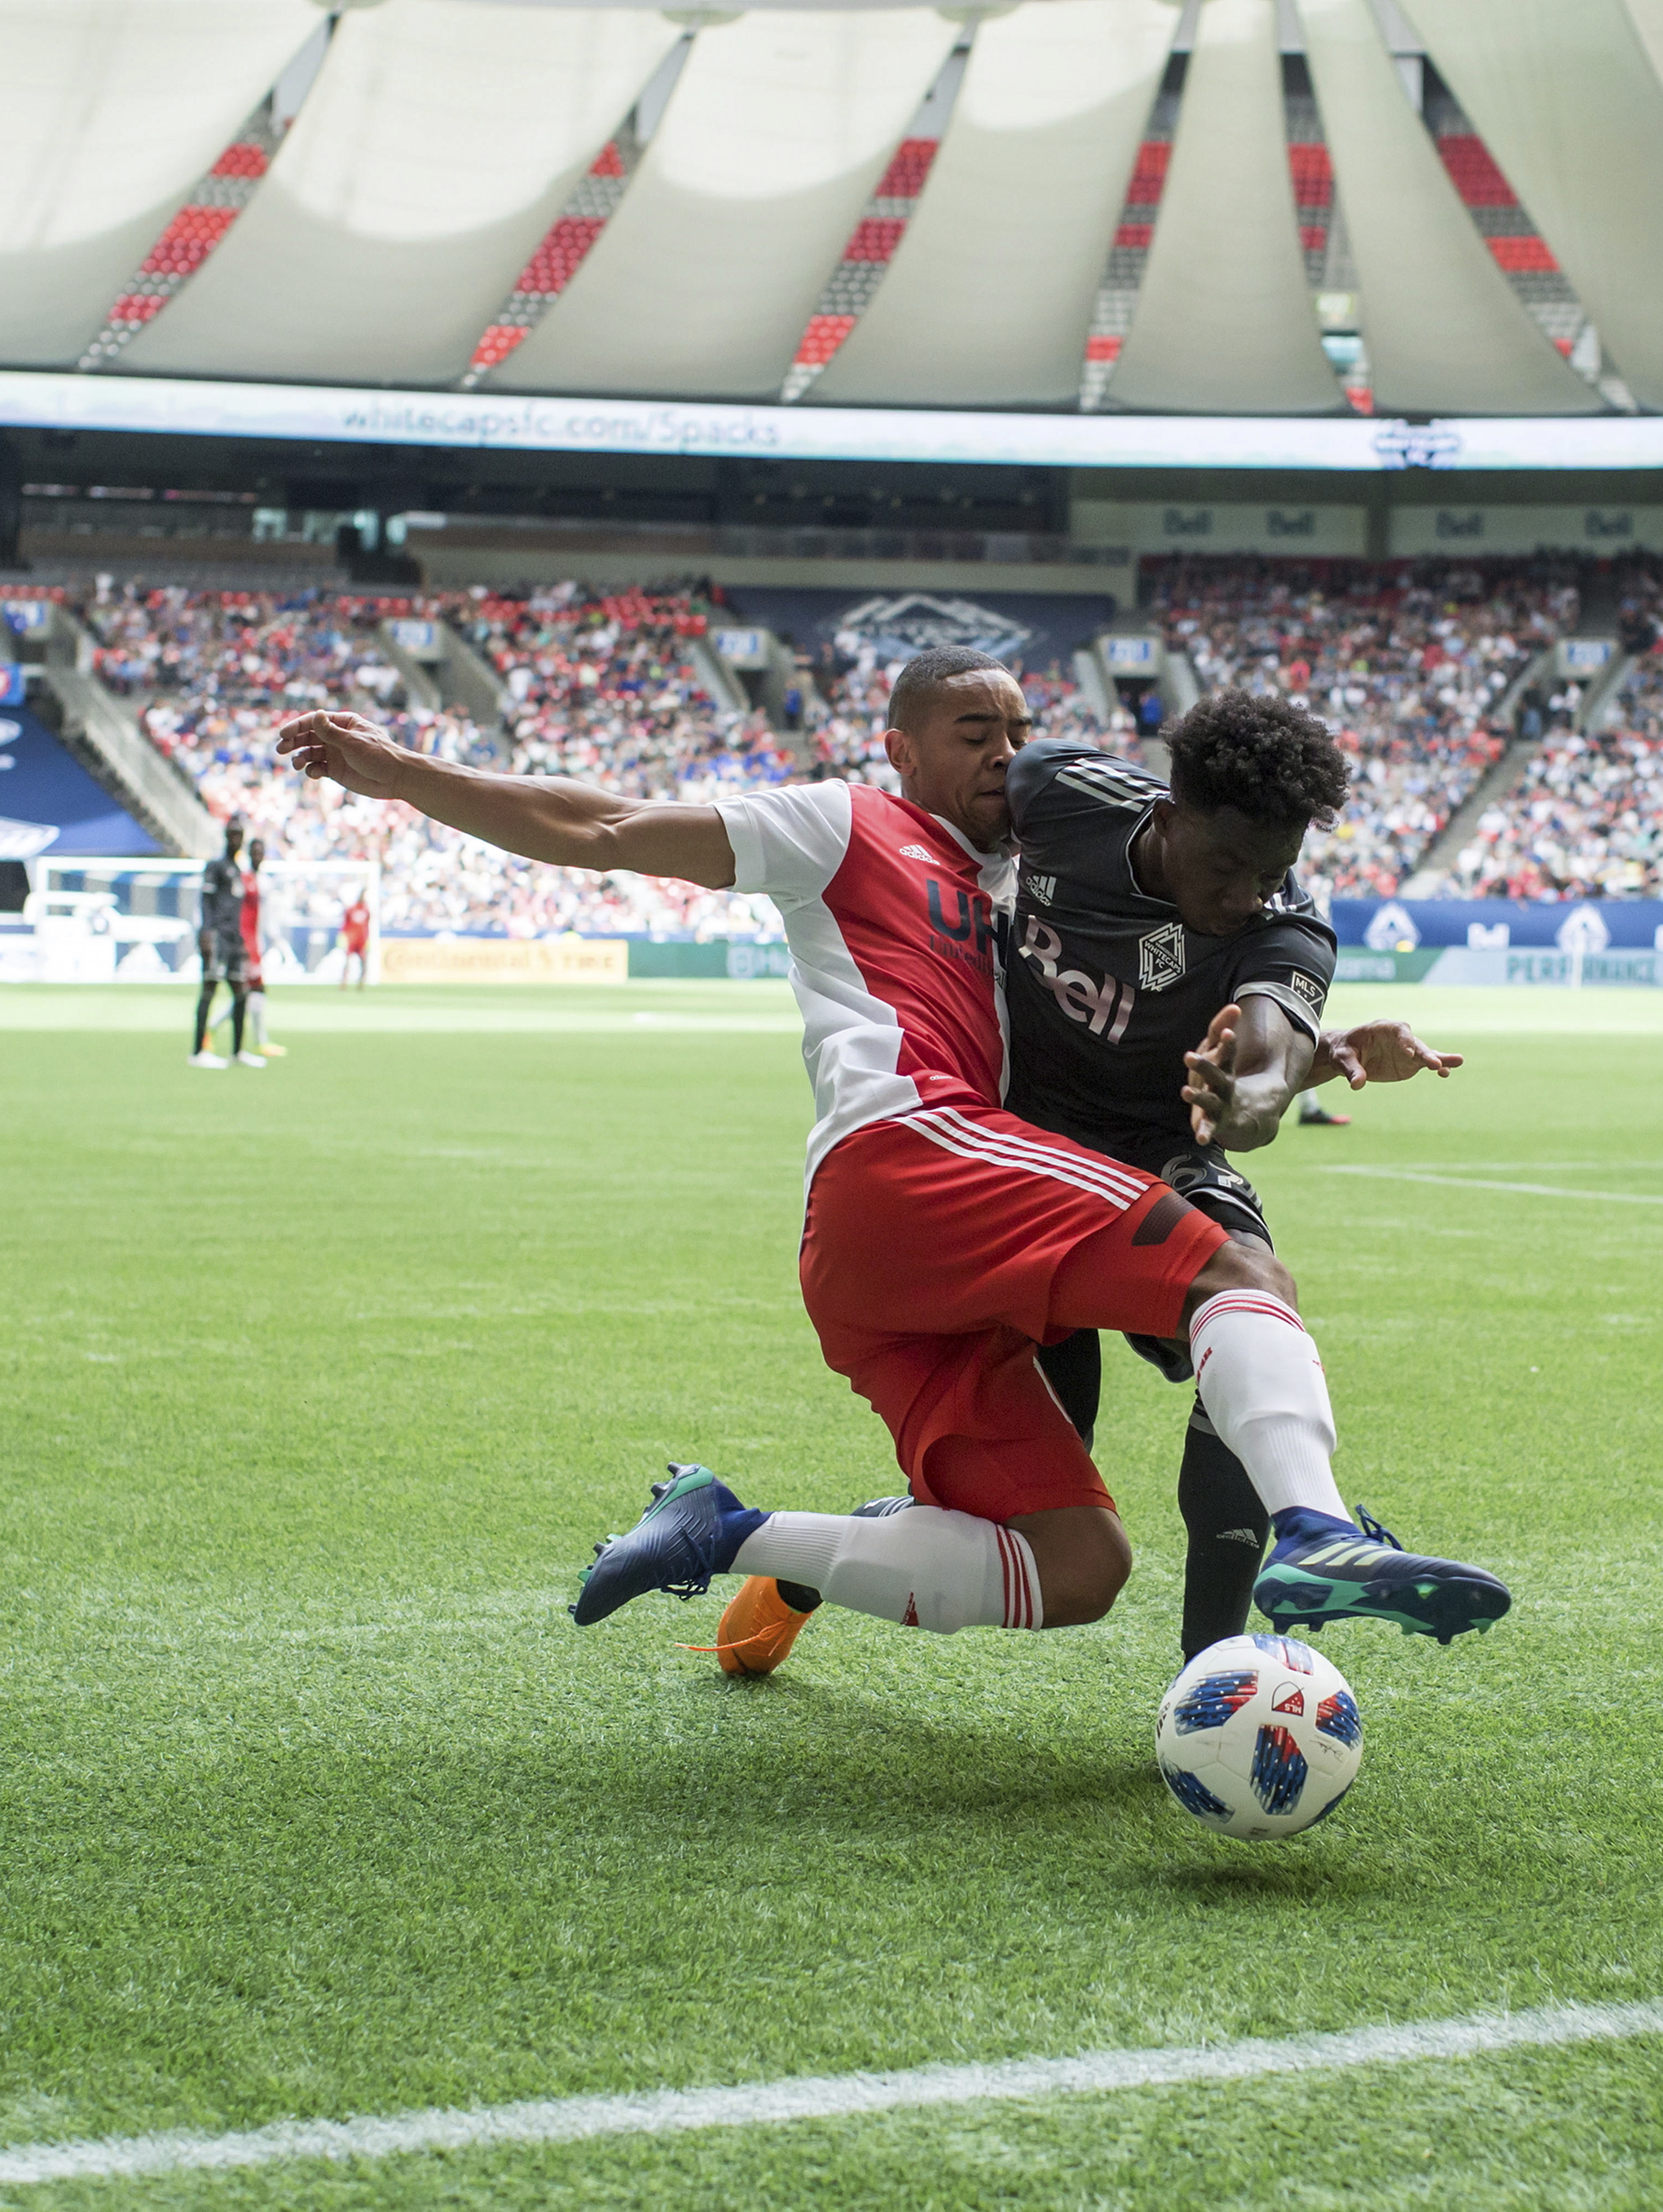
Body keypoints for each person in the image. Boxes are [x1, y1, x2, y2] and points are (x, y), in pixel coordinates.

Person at [275, 650, 1509, 1659]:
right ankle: (1313, 1530)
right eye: (975, 731)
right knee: (1229, 1283)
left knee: (1074, 1552)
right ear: (899, 749)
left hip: (980, 1218)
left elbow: (1214, 1029)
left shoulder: (1023, 874)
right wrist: (401, 775)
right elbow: (602, 824)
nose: (1007, 754)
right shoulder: (866, 820)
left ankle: (738, 1534)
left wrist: (1297, 1054)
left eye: (1020, 726)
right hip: (940, 1155)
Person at [711, 698, 1464, 1678]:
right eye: (1228, 866)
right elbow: (954, 834)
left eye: (1271, 874)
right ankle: (801, 1568)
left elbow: (1270, 1047)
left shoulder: (1286, 924)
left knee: (1247, 1296)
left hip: (1163, 1152)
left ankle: (1225, 1663)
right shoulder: (1063, 793)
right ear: (1171, 810)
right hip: (1014, 1156)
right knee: (1024, 1508)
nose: (1248, 897)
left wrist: (1259, 1096)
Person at [191, 822, 254, 1070]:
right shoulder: (215, 867)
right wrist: (207, 931)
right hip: (216, 935)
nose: (237, 839)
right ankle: (197, 1052)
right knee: (209, 989)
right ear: (227, 837)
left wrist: (241, 940)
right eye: (233, 835)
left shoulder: (238, 870)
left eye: (240, 835)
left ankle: (237, 1052)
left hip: (233, 939)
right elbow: (206, 901)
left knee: (241, 992)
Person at [240, 836, 284, 1059]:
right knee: (252, 992)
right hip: (247, 944)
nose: (258, 856)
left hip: (258, 943)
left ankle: (261, 1041)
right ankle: (260, 1041)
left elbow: (266, 917)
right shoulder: (244, 879)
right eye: (255, 852)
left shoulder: (263, 881)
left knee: (253, 993)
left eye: (261, 852)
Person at [339, 888, 373, 989]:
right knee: (348, 961)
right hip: (352, 939)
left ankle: (361, 983)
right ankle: (344, 982)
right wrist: (343, 936)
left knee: (364, 961)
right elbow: (345, 924)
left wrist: (367, 938)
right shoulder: (351, 910)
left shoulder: (366, 910)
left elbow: (367, 925)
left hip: (362, 940)